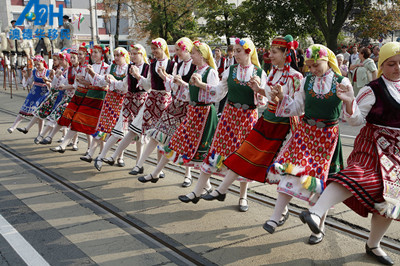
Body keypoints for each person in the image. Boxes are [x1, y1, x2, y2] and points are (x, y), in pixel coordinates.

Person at [299, 42, 400, 265]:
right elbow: (355, 121)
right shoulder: (372, 88)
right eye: (392, 64)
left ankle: (373, 245)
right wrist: (348, 102)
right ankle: (315, 212)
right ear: (382, 65)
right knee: (359, 174)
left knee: (391, 199)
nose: (398, 68)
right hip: (373, 143)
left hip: (397, 151)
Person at [203, 35, 303, 213]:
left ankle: (283, 212)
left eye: (273, 52)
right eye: (269, 52)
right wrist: (259, 90)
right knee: (244, 153)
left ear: (286, 52)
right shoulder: (273, 71)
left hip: (284, 125)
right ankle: (221, 190)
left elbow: (298, 107)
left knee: (280, 170)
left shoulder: (296, 77)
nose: (269, 55)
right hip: (267, 121)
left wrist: (280, 97)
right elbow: (268, 95)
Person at [264, 44, 351, 245]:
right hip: (305, 133)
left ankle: (319, 228)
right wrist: (280, 99)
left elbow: (350, 116)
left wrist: (347, 102)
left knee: (323, 182)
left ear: (327, 61)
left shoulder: (342, 81)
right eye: (309, 66)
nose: (312, 70)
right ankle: (276, 216)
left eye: (315, 65)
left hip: (328, 137)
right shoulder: (306, 81)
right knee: (291, 171)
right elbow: (297, 107)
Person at [177, 38, 267, 205]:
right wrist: (201, 85)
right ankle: (197, 192)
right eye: (235, 50)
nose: (235, 54)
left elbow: (262, 102)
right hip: (229, 117)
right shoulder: (230, 70)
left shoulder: (259, 73)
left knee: (243, 156)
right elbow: (218, 93)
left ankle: (243, 197)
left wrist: (258, 90)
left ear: (249, 52)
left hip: (248, 119)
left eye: (239, 51)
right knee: (215, 151)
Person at [145, 40, 219, 189]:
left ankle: (206, 187)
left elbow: (216, 94)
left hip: (204, 114)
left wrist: (200, 85)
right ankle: (155, 173)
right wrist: (179, 82)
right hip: (193, 112)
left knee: (200, 150)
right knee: (176, 143)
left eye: (194, 53)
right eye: (191, 53)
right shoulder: (197, 71)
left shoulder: (210, 72)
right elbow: (189, 93)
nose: (191, 56)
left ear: (202, 55)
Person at [135, 37, 196, 185]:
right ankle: (140, 164)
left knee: (184, 142)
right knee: (158, 133)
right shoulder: (179, 65)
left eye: (178, 49)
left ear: (186, 49)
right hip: (176, 105)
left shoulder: (195, 66)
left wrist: (172, 80)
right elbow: (172, 87)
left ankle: (188, 175)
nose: (176, 52)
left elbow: (194, 88)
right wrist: (166, 78)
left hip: (189, 108)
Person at [126, 38, 176, 175]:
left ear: (163, 48)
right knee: (154, 135)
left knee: (162, 136)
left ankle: (159, 170)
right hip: (152, 100)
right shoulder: (152, 64)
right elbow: (148, 84)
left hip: (166, 101)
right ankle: (146, 167)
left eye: (155, 48)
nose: (153, 51)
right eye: (152, 49)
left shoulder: (173, 64)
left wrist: (165, 76)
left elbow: (174, 86)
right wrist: (137, 76)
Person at [50, 44, 110, 153]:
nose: (94, 54)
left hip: (101, 98)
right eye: (93, 52)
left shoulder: (106, 67)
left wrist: (91, 75)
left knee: (99, 127)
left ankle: (101, 154)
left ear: (102, 54)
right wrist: (82, 80)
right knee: (77, 120)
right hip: (90, 96)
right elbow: (88, 82)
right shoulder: (88, 66)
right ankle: (63, 145)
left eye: (97, 52)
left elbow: (104, 84)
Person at [100, 44, 150, 170]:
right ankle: (103, 156)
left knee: (140, 135)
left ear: (141, 54)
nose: (132, 56)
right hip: (129, 101)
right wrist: (111, 82)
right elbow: (124, 85)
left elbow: (148, 86)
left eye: (135, 54)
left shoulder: (148, 68)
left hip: (142, 101)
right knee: (119, 129)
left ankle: (138, 164)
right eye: (131, 54)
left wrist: (138, 76)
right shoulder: (129, 67)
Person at [7, 55, 50, 133]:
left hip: (43, 95)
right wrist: (26, 76)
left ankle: (39, 134)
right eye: (35, 64)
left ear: (42, 62)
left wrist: (47, 82)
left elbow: (52, 84)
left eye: (38, 64)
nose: (37, 66)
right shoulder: (34, 71)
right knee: (24, 109)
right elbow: (30, 82)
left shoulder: (48, 72)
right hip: (33, 93)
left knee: (40, 116)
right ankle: (13, 127)